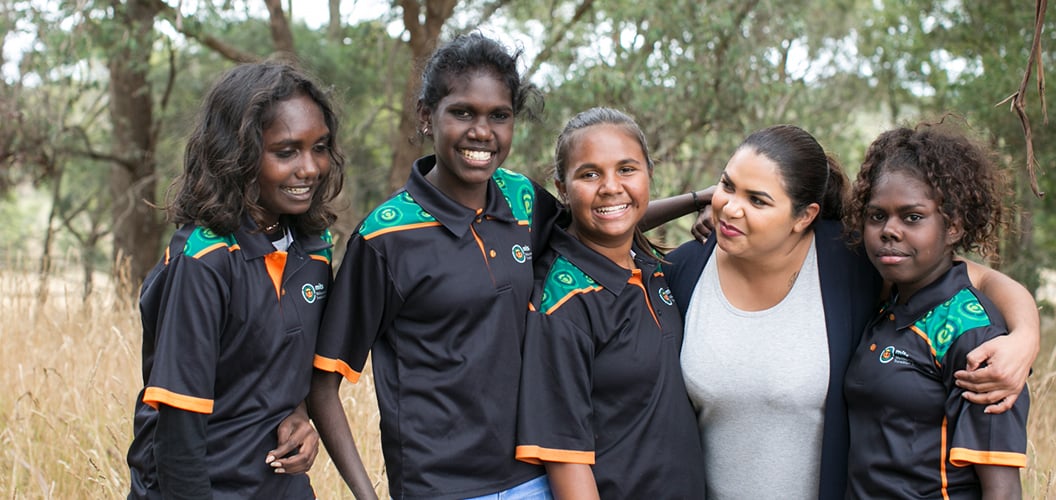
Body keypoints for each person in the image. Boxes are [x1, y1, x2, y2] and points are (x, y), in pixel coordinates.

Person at [309, 34, 709, 499]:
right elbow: (323, 385)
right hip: (441, 487)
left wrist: (703, 200)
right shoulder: (385, 239)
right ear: (425, 116)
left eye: (499, 115)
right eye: (463, 113)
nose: (483, 132)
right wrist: (366, 494)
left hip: (535, 481)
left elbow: (604, 217)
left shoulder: (520, 200)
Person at [666, 124, 1039, 499]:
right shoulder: (687, 270)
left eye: (758, 199)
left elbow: (973, 278)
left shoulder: (848, 263)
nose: (732, 207)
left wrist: (1025, 336)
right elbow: (612, 236)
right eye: (728, 187)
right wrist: (704, 201)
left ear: (804, 216)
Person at [126, 61, 345, 499]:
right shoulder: (205, 260)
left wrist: (299, 415)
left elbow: (277, 370)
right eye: (286, 152)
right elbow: (179, 426)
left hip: (280, 487)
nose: (310, 168)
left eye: (319, 147)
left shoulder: (314, 248)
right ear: (238, 155)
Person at [514, 107, 706, 498]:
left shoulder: (650, 268)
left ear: (649, 174)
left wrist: (711, 201)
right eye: (589, 174)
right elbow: (565, 456)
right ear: (562, 189)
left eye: (626, 169)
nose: (610, 187)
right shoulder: (563, 302)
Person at [842, 125, 1028, 499]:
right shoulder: (884, 303)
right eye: (877, 216)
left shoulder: (973, 334)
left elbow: (1003, 491)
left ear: (953, 226)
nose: (889, 231)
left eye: (912, 217)